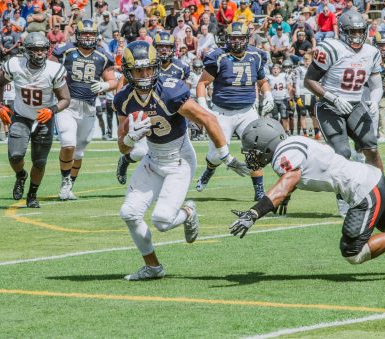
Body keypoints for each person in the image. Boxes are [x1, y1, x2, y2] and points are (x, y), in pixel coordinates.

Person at [230, 117, 385, 273]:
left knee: (353, 252)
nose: (252, 156)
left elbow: (288, 181)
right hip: (371, 178)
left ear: (266, 145)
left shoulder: (283, 156)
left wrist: (254, 213)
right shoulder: (295, 141)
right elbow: (302, 172)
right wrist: (284, 195)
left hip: (363, 191)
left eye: (253, 151)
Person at [115, 41, 249, 280]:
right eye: (138, 70)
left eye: (148, 69)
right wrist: (132, 137)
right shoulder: (124, 99)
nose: (144, 75)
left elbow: (208, 119)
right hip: (152, 158)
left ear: (156, 67)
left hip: (179, 160)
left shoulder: (170, 90)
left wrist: (225, 156)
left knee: (163, 221)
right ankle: (153, 267)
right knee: (129, 213)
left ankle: (188, 211)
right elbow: (122, 146)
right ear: (128, 71)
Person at [304, 11, 384, 217]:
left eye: (360, 31)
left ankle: (382, 196)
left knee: (372, 149)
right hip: (330, 106)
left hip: (355, 105)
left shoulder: (372, 52)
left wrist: (374, 100)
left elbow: (376, 85)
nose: (357, 36)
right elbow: (309, 80)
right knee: (342, 152)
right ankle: (343, 200)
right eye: (352, 32)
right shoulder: (331, 48)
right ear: (342, 31)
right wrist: (333, 97)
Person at [196, 22, 275, 201]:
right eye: (233, 38)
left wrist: (268, 95)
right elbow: (202, 83)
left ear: (247, 38)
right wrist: (202, 104)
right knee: (216, 155)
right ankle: (209, 170)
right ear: (228, 38)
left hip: (247, 111)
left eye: (240, 38)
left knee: (256, 150)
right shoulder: (218, 56)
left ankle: (259, 192)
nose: (236, 41)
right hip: (222, 112)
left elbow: (262, 81)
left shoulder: (255, 55)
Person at [0, 32, 70, 208]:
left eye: (42, 49)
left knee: (40, 161)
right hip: (22, 116)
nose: (39, 54)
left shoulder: (54, 69)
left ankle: (32, 194)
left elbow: (65, 99)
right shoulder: (15, 64)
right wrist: (0, 105)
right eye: (34, 50)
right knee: (15, 156)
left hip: (44, 118)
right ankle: (21, 175)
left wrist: (52, 110)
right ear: (26, 51)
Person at [50, 20, 117, 201]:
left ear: (96, 36)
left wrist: (104, 84)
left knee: (79, 152)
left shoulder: (103, 56)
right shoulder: (65, 51)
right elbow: (48, 70)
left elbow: (113, 81)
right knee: (68, 143)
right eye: (85, 33)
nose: (88, 37)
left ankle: (70, 184)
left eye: (91, 34)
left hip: (88, 106)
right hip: (67, 104)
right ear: (77, 34)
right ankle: (65, 181)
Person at [116, 31, 191, 185]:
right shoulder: (140, 62)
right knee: (140, 152)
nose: (164, 50)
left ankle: (173, 183)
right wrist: (123, 103)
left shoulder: (181, 67)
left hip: (170, 113)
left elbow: (184, 91)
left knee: (180, 152)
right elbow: (124, 83)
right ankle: (125, 160)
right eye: (161, 46)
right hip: (144, 109)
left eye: (168, 46)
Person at [288, 52, 320, 139]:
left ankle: (316, 133)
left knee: (314, 115)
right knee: (303, 113)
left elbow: (318, 82)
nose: (306, 62)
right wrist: (297, 94)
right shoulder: (299, 69)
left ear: (311, 60)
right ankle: (305, 133)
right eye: (304, 60)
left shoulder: (315, 69)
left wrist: (318, 94)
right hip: (302, 93)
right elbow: (297, 82)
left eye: (308, 60)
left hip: (312, 93)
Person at [267, 64, 290, 131]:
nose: (275, 70)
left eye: (277, 68)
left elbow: (289, 86)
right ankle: (275, 131)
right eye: (274, 68)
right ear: (271, 70)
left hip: (283, 99)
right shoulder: (268, 77)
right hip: (273, 99)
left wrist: (290, 96)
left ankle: (286, 131)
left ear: (280, 70)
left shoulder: (284, 75)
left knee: (284, 116)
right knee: (275, 117)